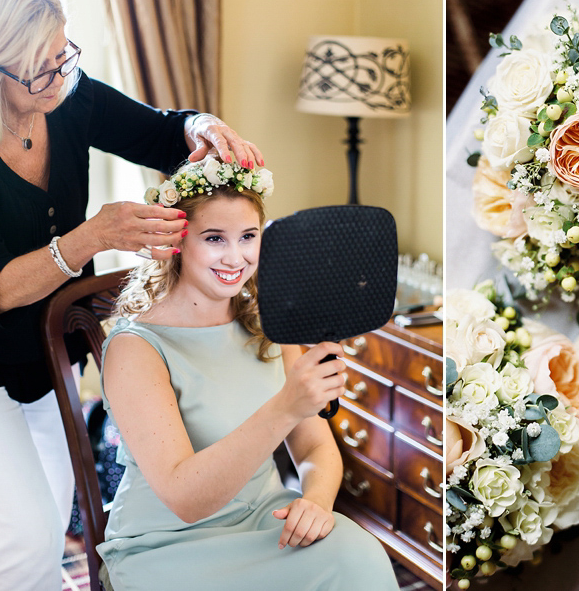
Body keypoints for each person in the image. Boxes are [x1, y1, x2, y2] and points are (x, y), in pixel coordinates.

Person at [0, 0, 264, 590]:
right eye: (40, 69)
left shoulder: (71, 98)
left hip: (43, 354)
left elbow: (164, 131)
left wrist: (201, 127)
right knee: (20, 536)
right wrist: (92, 237)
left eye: (64, 54)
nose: (59, 76)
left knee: (48, 519)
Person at [98, 158, 399, 590]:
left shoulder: (267, 325)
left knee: (361, 557)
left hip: (266, 520)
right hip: (168, 545)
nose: (235, 257)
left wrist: (315, 502)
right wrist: (286, 406)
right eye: (215, 238)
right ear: (178, 240)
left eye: (248, 237)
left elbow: (314, 445)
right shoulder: (136, 348)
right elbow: (185, 500)